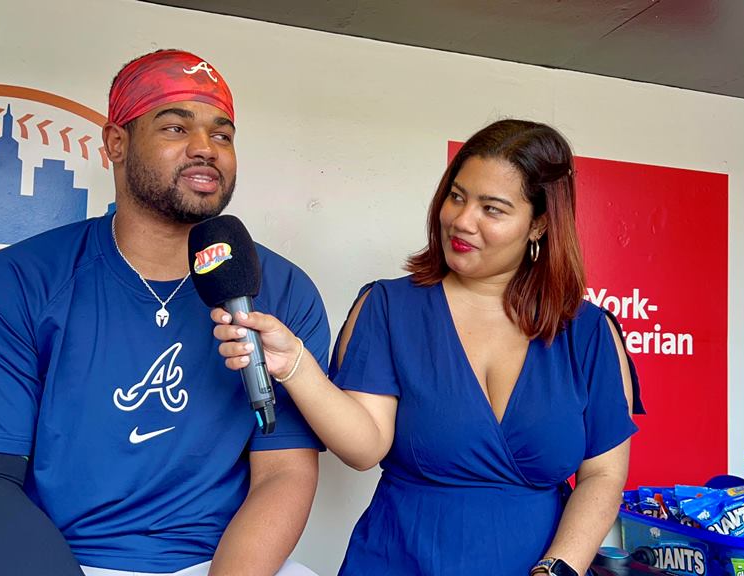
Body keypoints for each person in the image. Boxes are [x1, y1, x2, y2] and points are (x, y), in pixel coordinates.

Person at [0, 49, 329, 576]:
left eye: (222, 134)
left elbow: (284, 473)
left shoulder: (278, 289)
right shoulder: (18, 280)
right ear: (115, 144)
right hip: (56, 562)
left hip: (221, 564)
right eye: (174, 128)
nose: (204, 149)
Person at [211, 119, 644, 576]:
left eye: (492, 209)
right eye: (457, 196)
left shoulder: (588, 332)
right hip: (400, 560)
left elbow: (603, 475)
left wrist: (557, 569)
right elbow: (364, 448)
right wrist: (295, 365)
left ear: (538, 224)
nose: (461, 219)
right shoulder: (389, 306)